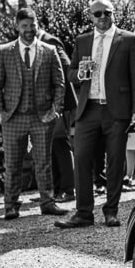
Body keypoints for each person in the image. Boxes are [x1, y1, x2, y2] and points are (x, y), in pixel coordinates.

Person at [57, 0, 135, 228]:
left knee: (115, 161)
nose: (103, 16)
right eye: (98, 13)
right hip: (89, 109)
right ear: (90, 17)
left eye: (107, 12)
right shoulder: (83, 40)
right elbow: (71, 73)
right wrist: (80, 75)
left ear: (113, 14)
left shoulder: (129, 39)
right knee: (83, 159)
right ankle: (84, 213)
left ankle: (111, 211)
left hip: (117, 111)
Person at [0, 8, 68, 219]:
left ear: (37, 24)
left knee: (44, 162)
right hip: (13, 117)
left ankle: (48, 202)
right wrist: (1, 113)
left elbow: (59, 83)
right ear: (17, 27)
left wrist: (55, 111)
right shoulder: (4, 51)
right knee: (12, 163)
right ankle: (11, 205)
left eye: (32, 25)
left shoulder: (49, 50)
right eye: (24, 26)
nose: (29, 30)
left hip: (42, 116)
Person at [39, 26, 75, 202]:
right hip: (43, 105)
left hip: (56, 105)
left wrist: (58, 106)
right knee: (51, 148)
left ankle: (68, 190)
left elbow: (66, 67)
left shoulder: (49, 41)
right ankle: (55, 190)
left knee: (60, 145)